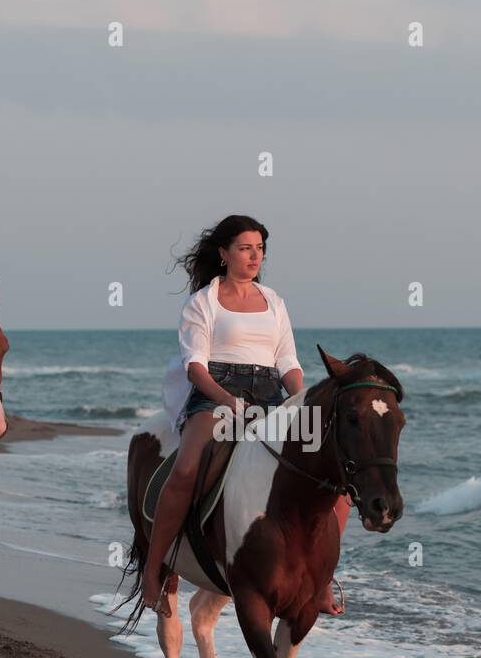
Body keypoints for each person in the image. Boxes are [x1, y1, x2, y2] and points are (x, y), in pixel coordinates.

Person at [144, 214, 352, 616]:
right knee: (186, 468)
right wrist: (228, 402)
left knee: (334, 475)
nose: (255, 256)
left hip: (272, 393)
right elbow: (195, 368)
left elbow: (287, 360)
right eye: (245, 248)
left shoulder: (274, 301)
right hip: (215, 394)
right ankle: (154, 569)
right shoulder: (203, 302)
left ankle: (322, 581)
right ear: (224, 254)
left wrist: (302, 399)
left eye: (260, 248)